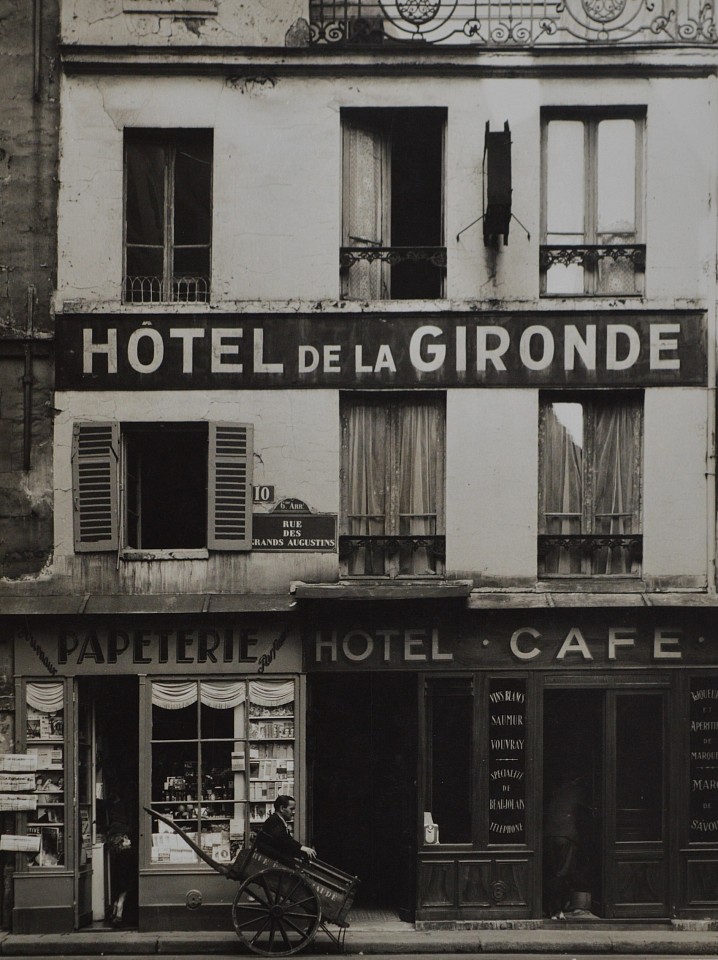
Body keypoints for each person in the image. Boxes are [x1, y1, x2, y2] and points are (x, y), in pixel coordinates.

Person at [543, 772, 591, 919]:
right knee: (562, 874)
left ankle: (551, 908)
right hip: (567, 836)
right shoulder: (577, 791)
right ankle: (557, 910)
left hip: (550, 835)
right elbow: (586, 812)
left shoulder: (556, 791)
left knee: (554, 872)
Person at [257, 795, 316, 865]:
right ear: (282, 808)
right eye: (291, 809)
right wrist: (302, 848)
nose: (294, 812)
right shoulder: (274, 821)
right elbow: (283, 839)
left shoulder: (277, 820)